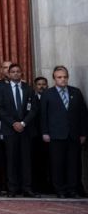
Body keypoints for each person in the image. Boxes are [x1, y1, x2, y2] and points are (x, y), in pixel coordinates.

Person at [41, 66, 88, 198]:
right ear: (54, 78)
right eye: (59, 77)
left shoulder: (76, 92)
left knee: (74, 164)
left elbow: (83, 114)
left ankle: (73, 189)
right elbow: (43, 115)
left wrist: (83, 133)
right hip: (55, 135)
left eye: (65, 77)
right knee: (57, 164)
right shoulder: (48, 94)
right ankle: (60, 190)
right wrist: (45, 132)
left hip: (74, 135)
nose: (63, 79)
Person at [0, 63, 37, 197]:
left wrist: (23, 123)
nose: (16, 74)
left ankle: (27, 188)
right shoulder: (2, 89)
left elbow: (34, 108)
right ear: (9, 74)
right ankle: (12, 189)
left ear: (22, 73)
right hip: (9, 129)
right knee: (11, 160)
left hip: (25, 129)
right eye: (13, 72)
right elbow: (0, 109)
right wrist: (13, 123)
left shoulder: (28, 88)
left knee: (26, 160)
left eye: (18, 71)